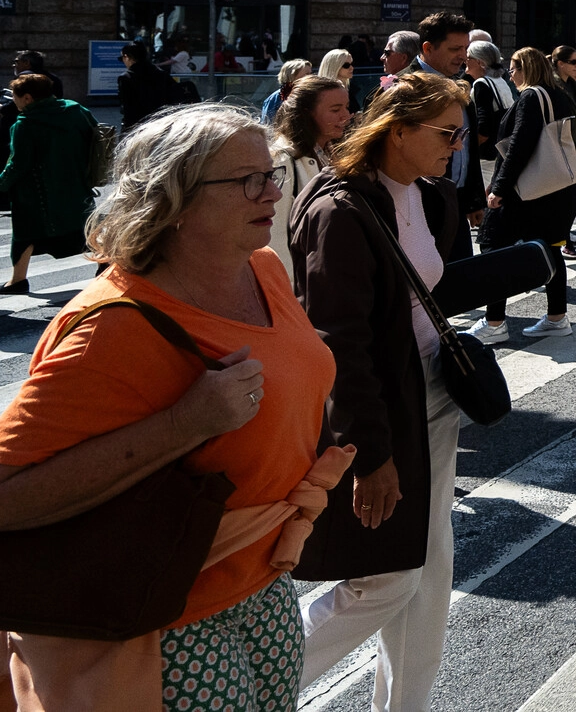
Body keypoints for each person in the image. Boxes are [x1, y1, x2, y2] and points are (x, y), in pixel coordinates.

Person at [0, 104, 334, 709]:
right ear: (171, 201)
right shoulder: (112, 327)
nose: (271, 191)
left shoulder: (261, 268)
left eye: (271, 175)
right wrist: (184, 425)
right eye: (246, 180)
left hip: (264, 579)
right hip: (168, 612)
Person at [293, 73, 475, 712]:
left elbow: (420, 290)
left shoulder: (425, 195)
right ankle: (260, 677)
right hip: (384, 406)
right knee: (388, 578)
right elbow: (339, 342)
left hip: (432, 396)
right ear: (398, 130)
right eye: (446, 133)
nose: (456, 145)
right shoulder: (338, 209)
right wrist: (371, 453)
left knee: (430, 576)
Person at [470, 47, 576, 341]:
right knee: (550, 248)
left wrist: (499, 187)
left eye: (513, 68)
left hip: (528, 190)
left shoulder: (532, 96)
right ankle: (557, 317)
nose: (510, 74)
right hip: (557, 188)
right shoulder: (556, 93)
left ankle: (494, 323)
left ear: (526, 68)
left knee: (492, 245)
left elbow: (520, 145)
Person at [0, 74, 100, 294]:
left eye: (15, 97)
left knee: (26, 235)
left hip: (36, 193)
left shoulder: (25, 124)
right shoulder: (76, 111)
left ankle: (17, 281)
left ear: (27, 98)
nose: (13, 102)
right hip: (76, 184)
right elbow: (98, 139)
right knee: (82, 229)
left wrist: (2, 184)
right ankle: (106, 262)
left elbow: (18, 164)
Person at [268, 74, 353, 285]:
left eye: (346, 107)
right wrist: (288, 294)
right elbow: (275, 237)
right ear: (306, 114)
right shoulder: (283, 160)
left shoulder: (332, 153)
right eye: (335, 110)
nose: (346, 116)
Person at [403, 12, 486, 226]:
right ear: (428, 48)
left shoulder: (459, 86)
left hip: (455, 200)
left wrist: (474, 199)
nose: (463, 56)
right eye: (455, 49)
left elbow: (468, 148)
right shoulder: (402, 87)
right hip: (417, 204)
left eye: (465, 49)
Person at [466, 40, 515, 162]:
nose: (464, 60)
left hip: (487, 155)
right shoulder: (501, 81)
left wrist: (468, 147)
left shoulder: (481, 84)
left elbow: (484, 126)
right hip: (501, 151)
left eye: (468, 57)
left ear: (479, 62)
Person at [117, 39, 183, 130]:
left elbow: (128, 109)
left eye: (123, 58)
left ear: (127, 57)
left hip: (138, 127)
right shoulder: (161, 74)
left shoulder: (126, 77)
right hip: (161, 124)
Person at [260, 58, 313, 126]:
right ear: (292, 75)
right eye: (306, 74)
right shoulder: (275, 98)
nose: (311, 77)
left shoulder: (312, 94)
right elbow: (267, 124)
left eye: (310, 73)